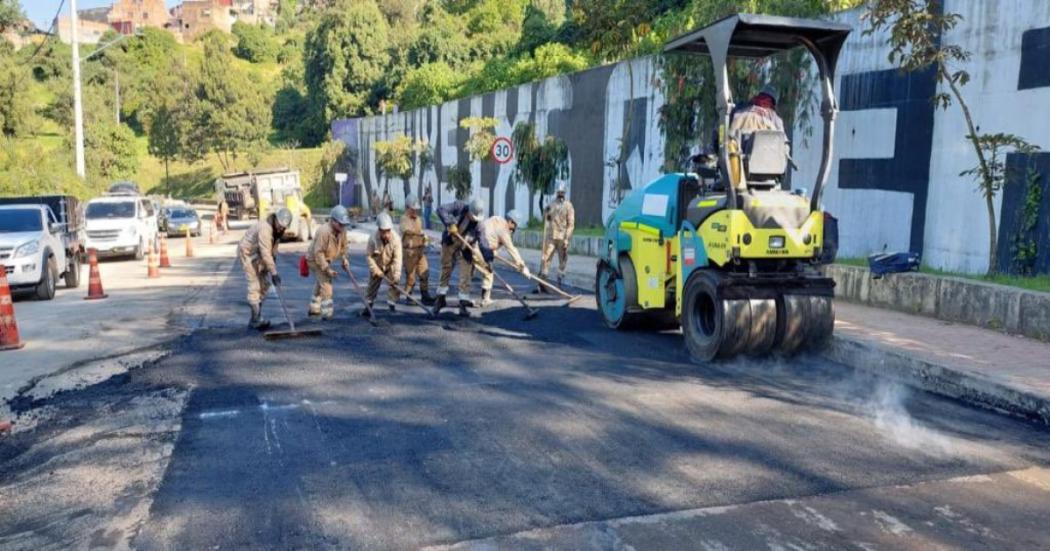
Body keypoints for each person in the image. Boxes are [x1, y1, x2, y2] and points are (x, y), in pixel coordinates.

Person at [238, 208, 292, 329]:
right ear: (276, 219)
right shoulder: (265, 229)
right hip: (248, 253)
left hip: (259, 255)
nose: (281, 228)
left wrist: (272, 266)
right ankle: (256, 320)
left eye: (284, 227)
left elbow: (272, 252)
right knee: (254, 285)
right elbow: (265, 253)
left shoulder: (277, 232)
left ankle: (255, 318)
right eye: (280, 225)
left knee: (264, 285)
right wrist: (274, 273)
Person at [433, 197, 485, 313]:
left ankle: (463, 303)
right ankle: (440, 299)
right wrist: (450, 223)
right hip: (451, 240)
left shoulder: (479, 225)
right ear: (469, 210)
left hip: (465, 246)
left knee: (466, 273)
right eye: (472, 216)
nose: (474, 219)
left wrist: (489, 259)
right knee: (446, 268)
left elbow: (483, 242)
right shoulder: (460, 206)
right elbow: (440, 209)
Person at [476, 210, 530, 307]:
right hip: (481, 249)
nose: (515, 229)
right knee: (488, 272)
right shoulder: (504, 230)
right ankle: (485, 299)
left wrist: (494, 252)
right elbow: (511, 249)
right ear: (510, 222)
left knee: (468, 272)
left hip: (476, 243)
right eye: (515, 226)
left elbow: (491, 235)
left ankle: (463, 299)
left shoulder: (497, 219)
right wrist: (522, 266)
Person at [307, 205, 351, 320]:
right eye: (340, 224)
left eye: (344, 224)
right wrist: (327, 269)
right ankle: (327, 314)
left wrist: (345, 259)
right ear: (333, 221)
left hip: (325, 258)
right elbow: (318, 253)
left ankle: (314, 308)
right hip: (314, 259)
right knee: (326, 283)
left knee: (320, 281)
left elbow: (344, 246)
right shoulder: (324, 231)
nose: (342, 227)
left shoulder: (342, 230)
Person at [538, 183, 575, 290]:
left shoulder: (569, 206)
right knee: (546, 258)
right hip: (551, 237)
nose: (560, 194)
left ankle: (560, 282)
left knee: (563, 261)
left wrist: (567, 238)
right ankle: (542, 282)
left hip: (563, 238)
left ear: (565, 193)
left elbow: (571, 224)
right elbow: (547, 218)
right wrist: (546, 213)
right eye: (558, 192)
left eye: (562, 192)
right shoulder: (552, 204)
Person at [364, 212, 402, 313]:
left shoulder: (396, 239)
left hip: (390, 266)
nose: (386, 235)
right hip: (378, 264)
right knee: (372, 287)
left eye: (388, 231)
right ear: (379, 230)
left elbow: (398, 259)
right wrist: (376, 270)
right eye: (383, 232)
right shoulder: (373, 238)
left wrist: (397, 275)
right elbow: (369, 256)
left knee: (395, 283)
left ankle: (391, 304)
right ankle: (368, 306)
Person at [400, 193, 434, 305]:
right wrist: (418, 234)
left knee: (425, 272)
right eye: (413, 209)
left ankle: (425, 295)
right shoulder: (404, 219)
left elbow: (420, 232)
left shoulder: (418, 219)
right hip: (409, 252)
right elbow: (407, 230)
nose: (415, 211)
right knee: (411, 276)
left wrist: (424, 238)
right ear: (408, 208)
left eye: (416, 209)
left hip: (420, 250)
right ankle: (409, 296)